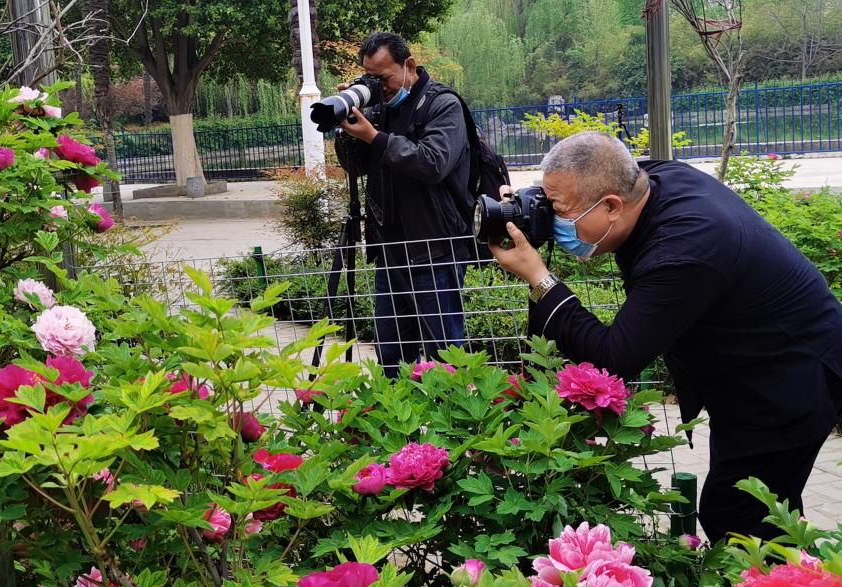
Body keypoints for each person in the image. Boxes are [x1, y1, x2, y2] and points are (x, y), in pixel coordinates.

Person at [490, 131, 842, 542]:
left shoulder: (686, 246)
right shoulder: (652, 180)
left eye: (560, 210)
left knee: (742, 516)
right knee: (761, 509)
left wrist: (539, 278)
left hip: (790, 378)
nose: (556, 219)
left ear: (611, 207)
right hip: (751, 368)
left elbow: (615, 355)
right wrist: (530, 208)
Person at [337, 31, 471, 378]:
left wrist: (374, 136)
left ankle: (455, 427)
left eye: (383, 77)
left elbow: (433, 163)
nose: (378, 86)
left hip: (436, 251)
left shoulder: (443, 105)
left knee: (446, 358)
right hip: (390, 252)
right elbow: (359, 167)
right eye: (370, 77)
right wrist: (347, 131)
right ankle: (401, 429)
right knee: (393, 357)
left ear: (408, 65)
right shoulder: (379, 109)